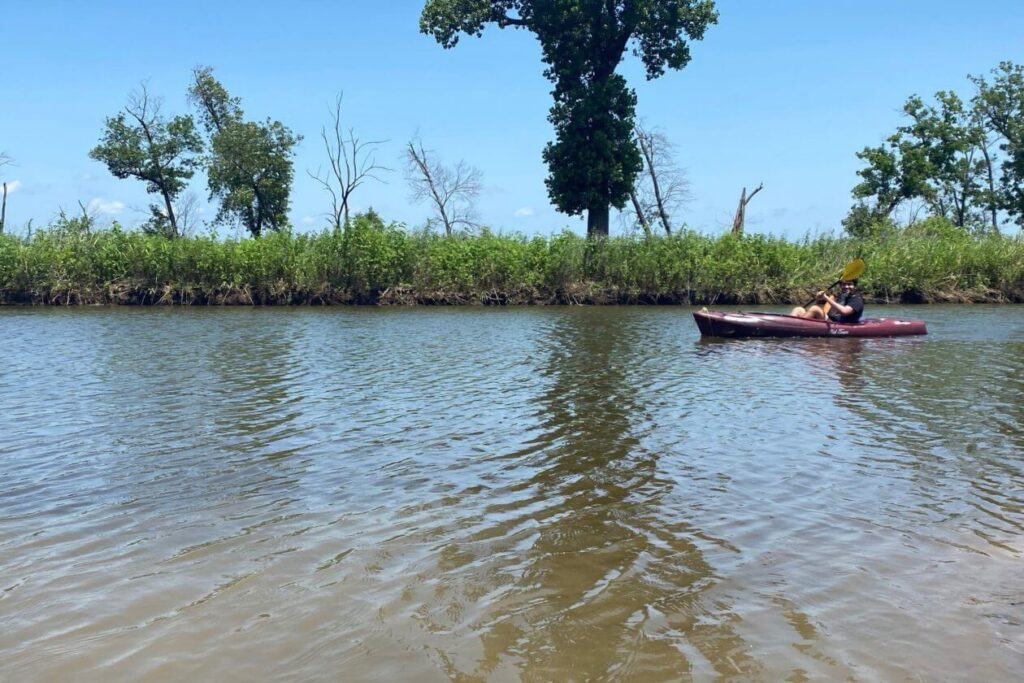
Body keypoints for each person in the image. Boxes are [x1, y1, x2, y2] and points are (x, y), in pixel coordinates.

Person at [790, 279, 864, 323]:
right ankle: (788, 324)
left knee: (815, 309)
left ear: (855, 286)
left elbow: (845, 311)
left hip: (840, 324)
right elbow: (825, 312)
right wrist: (819, 298)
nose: (846, 286)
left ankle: (796, 326)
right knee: (798, 309)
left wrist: (826, 298)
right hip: (829, 320)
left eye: (849, 284)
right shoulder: (837, 296)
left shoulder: (856, 299)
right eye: (844, 284)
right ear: (841, 286)